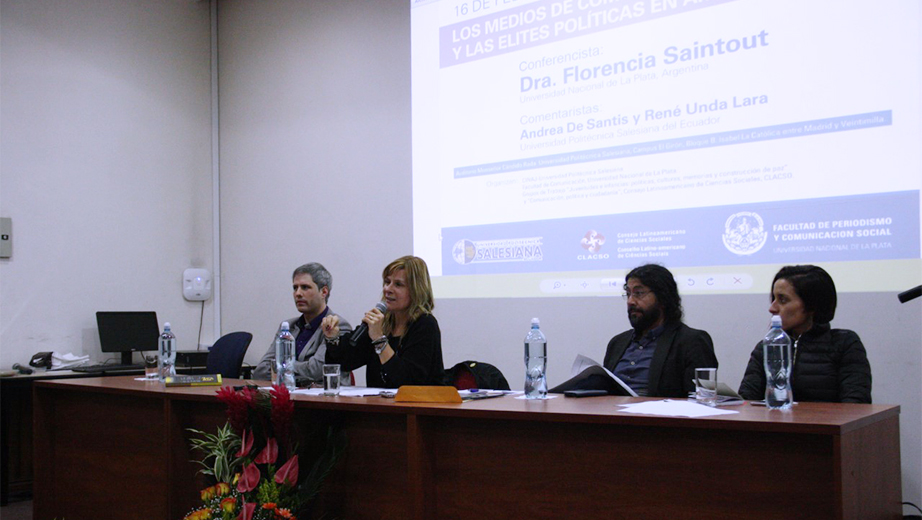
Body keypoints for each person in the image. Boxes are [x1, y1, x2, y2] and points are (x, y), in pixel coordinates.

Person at [738, 265, 871, 403]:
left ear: (811, 305)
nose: (772, 308)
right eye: (773, 299)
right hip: (776, 423)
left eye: (783, 300)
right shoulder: (766, 346)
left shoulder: (845, 344)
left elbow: (856, 405)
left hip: (824, 424)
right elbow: (747, 402)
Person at [322, 255, 445, 388]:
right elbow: (346, 362)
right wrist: (333, 338)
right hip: (379, 406)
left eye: (398, 284)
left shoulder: (425, 324)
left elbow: (408, 382)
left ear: (416, 291)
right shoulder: (382, 322)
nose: (387, 289)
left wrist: (379, 340)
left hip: (416, 407)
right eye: (387, 282)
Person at [603, 264, 717, 397]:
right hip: (612, 413)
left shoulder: (692, 341)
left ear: (663, 298)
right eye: (628, 294)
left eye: (638, 293)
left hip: (660, 415)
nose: (630, 301)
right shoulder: (618, 343)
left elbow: (703, 399)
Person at [252, 263, 351, 383]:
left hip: (323, 399)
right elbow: (261, 371)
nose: (298, 293)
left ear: (324, 292)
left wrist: (280, 367)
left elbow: (316, 370)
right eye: (295, 288)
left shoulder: (337, 325)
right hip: (290, 395)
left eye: (305, 287)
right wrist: (297, 372)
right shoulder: (288, 326)